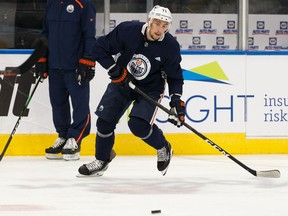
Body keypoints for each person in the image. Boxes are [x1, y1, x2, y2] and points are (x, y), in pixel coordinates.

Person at [78, 5, 185, 177]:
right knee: (104, 122)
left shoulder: (170, 45)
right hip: (122, 81)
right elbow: (99, 48)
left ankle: (163, 146)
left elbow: (175, 77)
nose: (160, 29)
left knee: (139, 126)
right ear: (149, 21)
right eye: (157, 23)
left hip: (151, 88)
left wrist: (176, 100)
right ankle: (102, 160)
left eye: (165, 26)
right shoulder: (127, 30)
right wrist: (114, 69)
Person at [35, 0, 96, 161]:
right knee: (58, 103)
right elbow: (45, 33)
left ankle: (75, 138)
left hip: (76, 66)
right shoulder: (51, 3)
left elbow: (89, 35)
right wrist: (42, 59)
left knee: (80, 104)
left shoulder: (84, 4)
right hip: (55, 66)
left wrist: (87, 61)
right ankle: (63, 135)